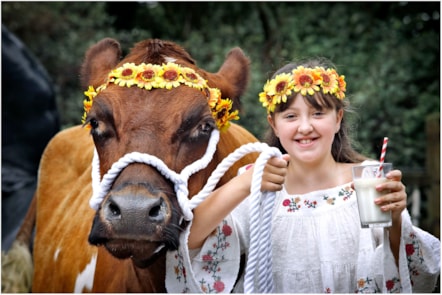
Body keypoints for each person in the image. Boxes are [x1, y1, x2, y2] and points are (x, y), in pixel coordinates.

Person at [165, 58, 440, 293]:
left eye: (318, 113)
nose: (305, 127)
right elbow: (189, 245)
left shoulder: (370, 177)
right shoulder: (258, 185)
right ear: (274, 123)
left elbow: (407, 270)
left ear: (338, 118)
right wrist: (244, 183)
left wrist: (394, 217)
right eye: (291, 116)